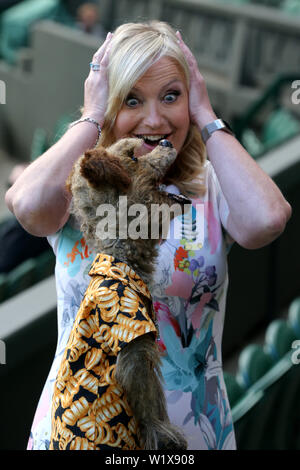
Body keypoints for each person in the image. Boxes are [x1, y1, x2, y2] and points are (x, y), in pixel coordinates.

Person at [5, 22, 291, 450]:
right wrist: (92, 116)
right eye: (132, 99)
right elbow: (26, 205)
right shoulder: (84, 182)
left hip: (190, 436)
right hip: (81, 431)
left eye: (171, 96)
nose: (155, 119)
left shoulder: (211, 185)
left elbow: (268, 219)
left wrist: (207, 118)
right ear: (109, 104)